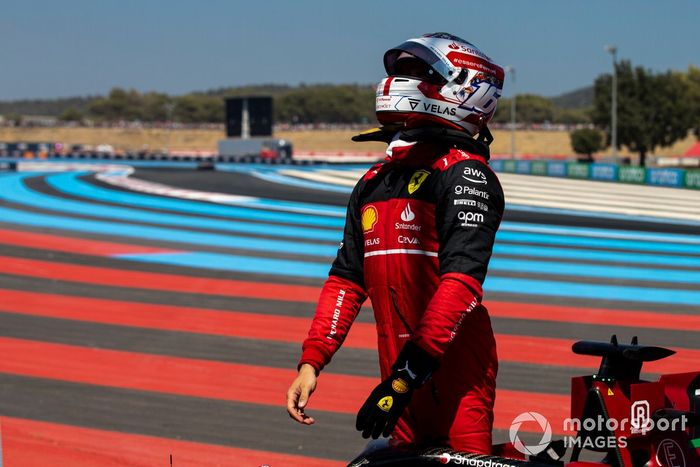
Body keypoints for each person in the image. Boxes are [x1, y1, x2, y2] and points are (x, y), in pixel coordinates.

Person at [286, 32, 505, 455]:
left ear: (464, 86)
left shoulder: (466, 175)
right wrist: (312, 361)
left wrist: (405, 378)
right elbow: (346, 280)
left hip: (455, 371)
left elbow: (461, 286)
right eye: (399, 71)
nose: (398, 81)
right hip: (398, 368)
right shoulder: (373, 181)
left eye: (415, 72)